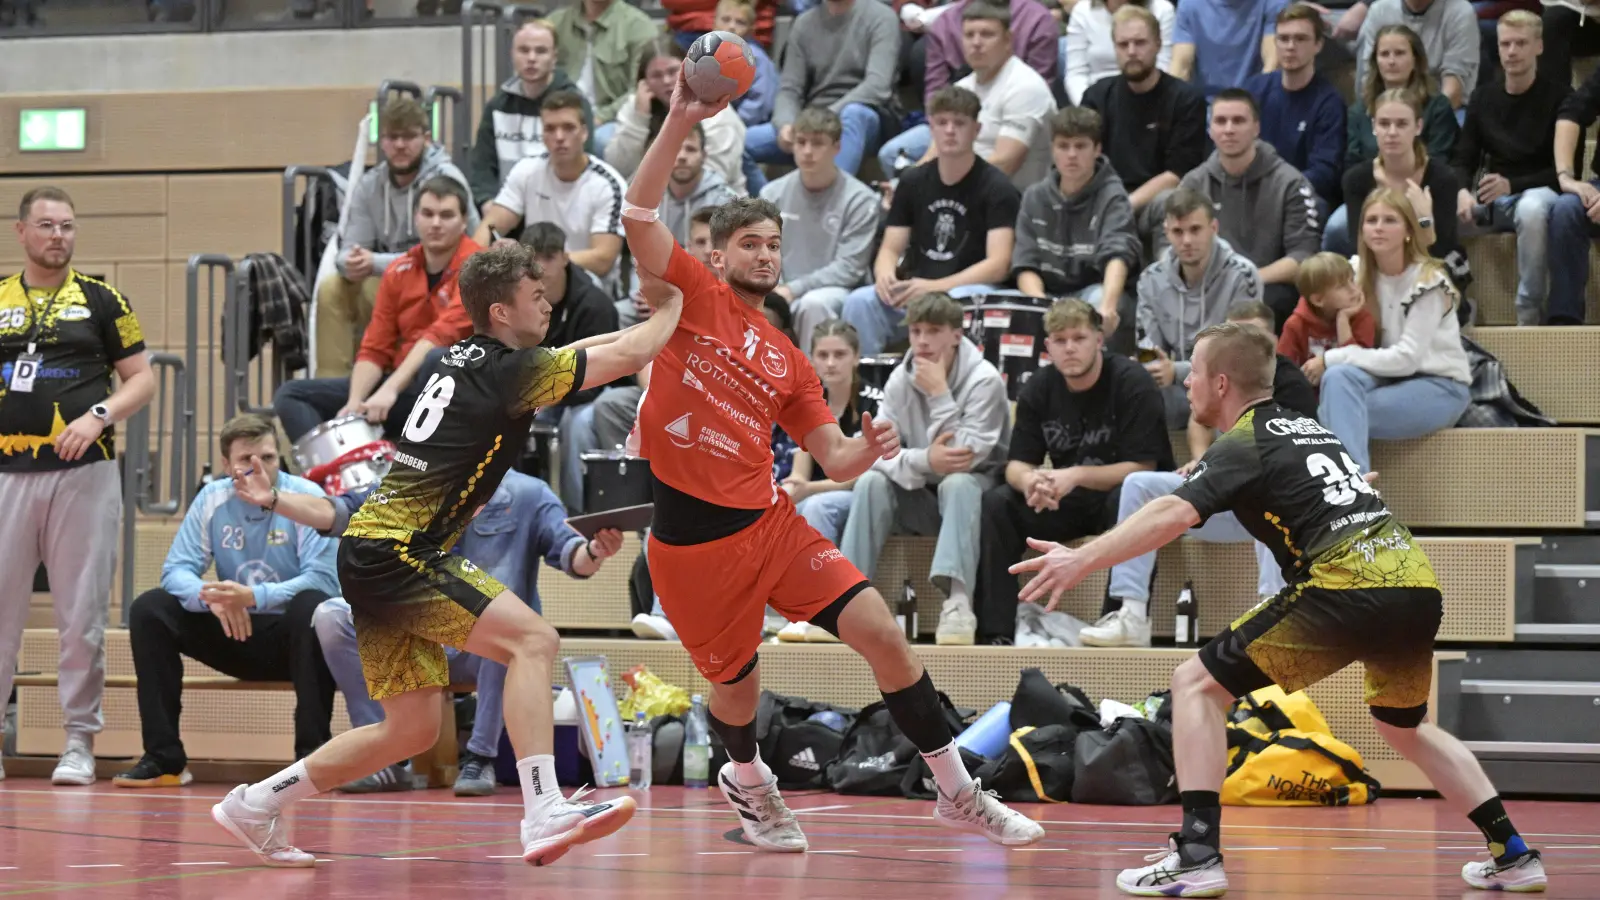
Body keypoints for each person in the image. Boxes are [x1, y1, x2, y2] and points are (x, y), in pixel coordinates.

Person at [620, 67, 1045, 852]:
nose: (766, 255)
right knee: (736, 691)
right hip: (693, 548)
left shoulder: (790, 358)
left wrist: (871, 447)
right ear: (717, 254)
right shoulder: (686, 295)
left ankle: (957, 789)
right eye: (749, 244)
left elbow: (837, 460)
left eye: (775, 244)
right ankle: (747, 784)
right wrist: (679, 114)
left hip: (771, 527)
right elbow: (639, 209)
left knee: (882, 631)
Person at [1012, 321, 1548, 896]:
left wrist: (1079, 560)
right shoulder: (1307, 430)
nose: (1186, 381)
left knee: (1195, 685)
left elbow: (1170, 515)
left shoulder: (1245, 442)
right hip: (1412, 582)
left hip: (1346, 584)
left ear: (1220, 383)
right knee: (1406, 727)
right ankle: (1513, 854)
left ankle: (1196, 855)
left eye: (1193, 370)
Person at [209, 242, 685, 868]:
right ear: (500, 310)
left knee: (411, 730)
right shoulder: (511, 371)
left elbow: (593, 349)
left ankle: (254, 803)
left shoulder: (459, 358)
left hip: (372, 552)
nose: (548, 303)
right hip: (398, 551)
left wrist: (653, 319)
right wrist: (680, 303)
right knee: (533, 641)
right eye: (535, 295)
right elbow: (626, 355)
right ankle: (544, 810)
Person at [231, 464, 622, 796]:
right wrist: (273, 499)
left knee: (512, 628)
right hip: (413, 642)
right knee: (331, 614)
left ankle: (481, 758)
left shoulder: (528, 493)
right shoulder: (410, 482)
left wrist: (593, 551)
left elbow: (572, 556)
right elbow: (336, 512)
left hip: (478, 650)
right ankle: (381, 757)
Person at [0, 186, 155, 786]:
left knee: (82, 614)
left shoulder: (102, 299)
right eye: (45, 225)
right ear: (21, 232)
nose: (57, 236)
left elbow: (140, 380)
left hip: (84, 478)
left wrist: (99, 417)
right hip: (8, 477)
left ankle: (78, 743)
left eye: (66, 225)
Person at [114, 414, 339, 789]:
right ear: (225, 464)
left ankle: (311, 760)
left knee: (313, 605)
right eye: (246, 460)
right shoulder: (212, 499)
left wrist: (253, 595)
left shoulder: (308, 497)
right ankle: (164, 759)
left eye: (267, 458)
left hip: (293, 639)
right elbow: (177, 570)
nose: (259, 468)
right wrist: (213, 598)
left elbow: (323, 579)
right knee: (150, 608)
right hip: (234, 629)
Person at [1079, 301, 1315, 648]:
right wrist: (1202, 461)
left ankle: (1272, 611)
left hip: (1267, 511)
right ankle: (1130, 612)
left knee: (1273, 490)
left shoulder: (1287, 382)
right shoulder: (1220, 380)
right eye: (1235, 336)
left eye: (1251, 336)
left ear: (1271, 341)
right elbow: (1199, 421)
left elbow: (1284, 459)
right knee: (1139, 485)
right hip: (1225, 498)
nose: (1243, 343)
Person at [976, 298, 1171, 646]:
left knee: (1130, 497)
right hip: (1063, 502)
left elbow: (1144, 467)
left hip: (1118, 498)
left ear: (1099, 340)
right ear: (1047, 345)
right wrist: (1032, 481)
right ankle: (997, 632)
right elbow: (1017, 464)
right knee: (998, 503)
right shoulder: (1039, 385)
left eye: (1078, 338)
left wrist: (1075, 475)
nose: (1069, 348)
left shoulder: (1131, 381)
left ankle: (1115, 621)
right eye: (1060, 340)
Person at [840, 292, 1012, 646]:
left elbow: (961, 456)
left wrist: (938, 394)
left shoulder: (985, 380)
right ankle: (845, 599)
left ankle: (958, 604)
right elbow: (876, 452)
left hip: (977, 506)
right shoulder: (900, 380)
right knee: (871, 482)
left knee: (959, 483)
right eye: (916, 330)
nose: (921, 340)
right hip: (920, 495)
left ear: (956, 335)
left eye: (933, 331)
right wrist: (923, 461)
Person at [275, 177, 481, 443]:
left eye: (447, 215)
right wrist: (354, 403)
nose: (436, 223)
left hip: (457, 391)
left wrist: (389, 389)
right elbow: (375, 347)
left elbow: (440, 335)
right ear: (415, 218)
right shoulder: (399, 270)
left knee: (438, 360)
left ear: (464, 222)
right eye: (428, 214)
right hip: (404, 387)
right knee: (291, 395)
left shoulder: (478, 267)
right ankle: (339, 472)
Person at [840, 85, 1022, 357]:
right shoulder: (912, 181)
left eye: (959, 123)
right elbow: (890, 248)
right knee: (860, 302)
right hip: (918, 288)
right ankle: (867, 389)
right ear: (931, 128)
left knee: (963, 301)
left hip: (968, 290)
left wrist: (936, 287)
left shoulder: (997, 187)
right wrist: (885, 276)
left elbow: (998, 264)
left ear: (977, 130)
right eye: (942, 122)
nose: (950, 130)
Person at [320, 98, 479, 377]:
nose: (401, 145)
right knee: (332, 289)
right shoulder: (370, 185)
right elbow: (349, 250)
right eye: (392, 137)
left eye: (409, 136)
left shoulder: (447, 179)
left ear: (426, 139)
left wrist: (375, 262)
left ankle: (393, 383)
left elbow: (471, 246)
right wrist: (351, 261)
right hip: (392, 279)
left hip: (444, 279)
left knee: (397, 286)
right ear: (381, 142)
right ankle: (334, 386)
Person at [1317, 188, 1471, 474]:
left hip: (1439, 385)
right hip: (1385, 379)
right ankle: (1356, 491)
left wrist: (1337, 356)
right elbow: (1309, 303)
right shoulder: (1355, 272)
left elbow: (1406, 359)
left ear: (1408, 231)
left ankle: (1351, 496)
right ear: (1361, 230)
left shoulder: (1429, 281)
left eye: (1390, 220)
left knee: (1333, 410)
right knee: (1337, 380)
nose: (1378, 228)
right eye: (1371, 220)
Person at [1451, 10, 1566, 327]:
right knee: (1430, 214)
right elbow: (1464, 157)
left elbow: (1562, 173)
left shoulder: (1560, 97)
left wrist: (1511, 185)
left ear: (1538, 47)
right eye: (1505, 44)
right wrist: (1462, 192)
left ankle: (1528, 311)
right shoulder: (1483, 97)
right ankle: (1455, 305)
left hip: (1540, 195)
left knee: (1532, 208)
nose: (1512, 51)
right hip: (1494, 202)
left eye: (1521, 43)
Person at [1179, 89, 1322, 329]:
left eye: (1238, 121)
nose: (1229, 129)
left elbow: (1303, 257)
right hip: (1206, 285)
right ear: (1210, 129)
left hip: (1267, 286)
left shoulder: (1290, 183)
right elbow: (1173, 247)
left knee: (1270, 301)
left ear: (1256, 128)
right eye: (1220, 121)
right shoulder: (1194, 184)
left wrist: (1246, 279)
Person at [1134, 188, 1264, 429]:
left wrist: (1177, 370)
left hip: (1227, 385)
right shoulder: (1151, 280)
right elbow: (1148, 349)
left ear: (1213, 228)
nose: (1186, 241)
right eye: (1177, 232)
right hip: (1178, 388)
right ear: (1166, 232)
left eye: (1195, 230)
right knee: (1136, 396)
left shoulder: (1242, 275)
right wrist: (1153, 367)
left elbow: (1241, 355)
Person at [476, 90, 629, 291]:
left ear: (584, 132)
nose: (559, 137)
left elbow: (602, 259)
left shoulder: (608, 184)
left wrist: (532, 259)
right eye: (550, 128)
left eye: (568, 128)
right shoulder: (526, 171)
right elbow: (486, 231)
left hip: (588, 289)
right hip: (534, 284)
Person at [759, 107, 880, 354]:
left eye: (817, 143)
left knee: (813, 304)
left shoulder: (860, 199)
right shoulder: (771, 195)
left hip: (836, 291)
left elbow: (849, 267)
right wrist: (776, 289)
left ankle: (814, 388)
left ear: (837, 147)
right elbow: (763, 252)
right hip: (781, 286)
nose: (807, 151)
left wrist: (794, 290)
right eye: (801, 142)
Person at [1012, 107, 1139, 329]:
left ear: (1097, 149)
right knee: (970, 296)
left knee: (1100, 302)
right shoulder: (1034, 196)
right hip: (1045, 294)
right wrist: (1043, 305)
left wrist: (1107, 306)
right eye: (1063, 146)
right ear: (1052, 150)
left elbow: (1117, 254)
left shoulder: (1113, 197)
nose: (1071, 155)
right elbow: (1025, 264)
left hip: (1091, 291)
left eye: (1080, 146)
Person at [1338, 90, 1468, 289]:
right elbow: (1360, 245)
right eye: (1384, 124)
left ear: (1418, 127)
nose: (1392, 132)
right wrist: (1413, 214)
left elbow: (1440, 250)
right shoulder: (1356, 180)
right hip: (1379, 269)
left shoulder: (1442, 178)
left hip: (1433, 267)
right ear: (1373, 127)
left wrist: (1424, 219)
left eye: (1401, 124)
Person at [466, 19, 597, 210]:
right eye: (524, 50)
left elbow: (583, 165)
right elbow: (482, 168)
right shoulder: (497, 105)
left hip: (559, 210)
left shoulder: (574, 104)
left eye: (541, 51)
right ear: (512, 54)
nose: (532, 58)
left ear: (554, 57)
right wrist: (489, 205)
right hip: (505, 210)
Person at [1245, 3, 1347, 209]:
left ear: (1318, 45)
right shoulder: (1254, 89)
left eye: (1300, 39)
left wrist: (1277, 189)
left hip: (1303, 195)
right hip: (1252, 189)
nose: (1290, 46)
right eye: (1283, 39)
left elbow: (1324, 172)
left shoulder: (1330, 102)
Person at [1277, 252, 1379, 399]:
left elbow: (1359, 365)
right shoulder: (1296, 324)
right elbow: (1282, 370)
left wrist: (1343, 321)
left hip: (1350, 395)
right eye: (1342, 286)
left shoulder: (1362, 319)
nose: (1353, 289)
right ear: (1318, 300)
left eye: (1352, 280)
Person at [1063, 0, 1176, 106]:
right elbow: (1076, 74)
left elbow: (1163, 66)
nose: (1131, 51)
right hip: (1096, 102)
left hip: (1149, 99)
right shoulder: (1082, 11)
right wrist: (1090, 107)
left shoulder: (1162, 9)